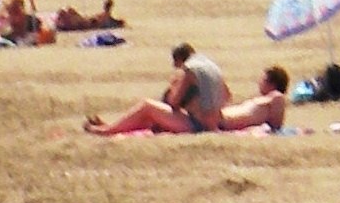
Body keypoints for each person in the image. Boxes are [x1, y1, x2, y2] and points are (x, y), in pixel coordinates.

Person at [85, 41, 230, 136]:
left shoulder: (190, 70)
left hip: (199, 125)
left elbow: (173, 102)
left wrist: (174, 87)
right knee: (154, 115)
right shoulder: (210, 65)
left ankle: (108, 130)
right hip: (215, 121)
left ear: (179, 60)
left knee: (147, 107)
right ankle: (112, 126)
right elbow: (227, 95)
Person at [219, 66, 290, 132]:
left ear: (272, 84)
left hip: (224, 121)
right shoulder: (264, 99)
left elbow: (276, 126)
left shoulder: (277, 97)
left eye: (263, 80)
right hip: (221, 117)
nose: (259, 83)